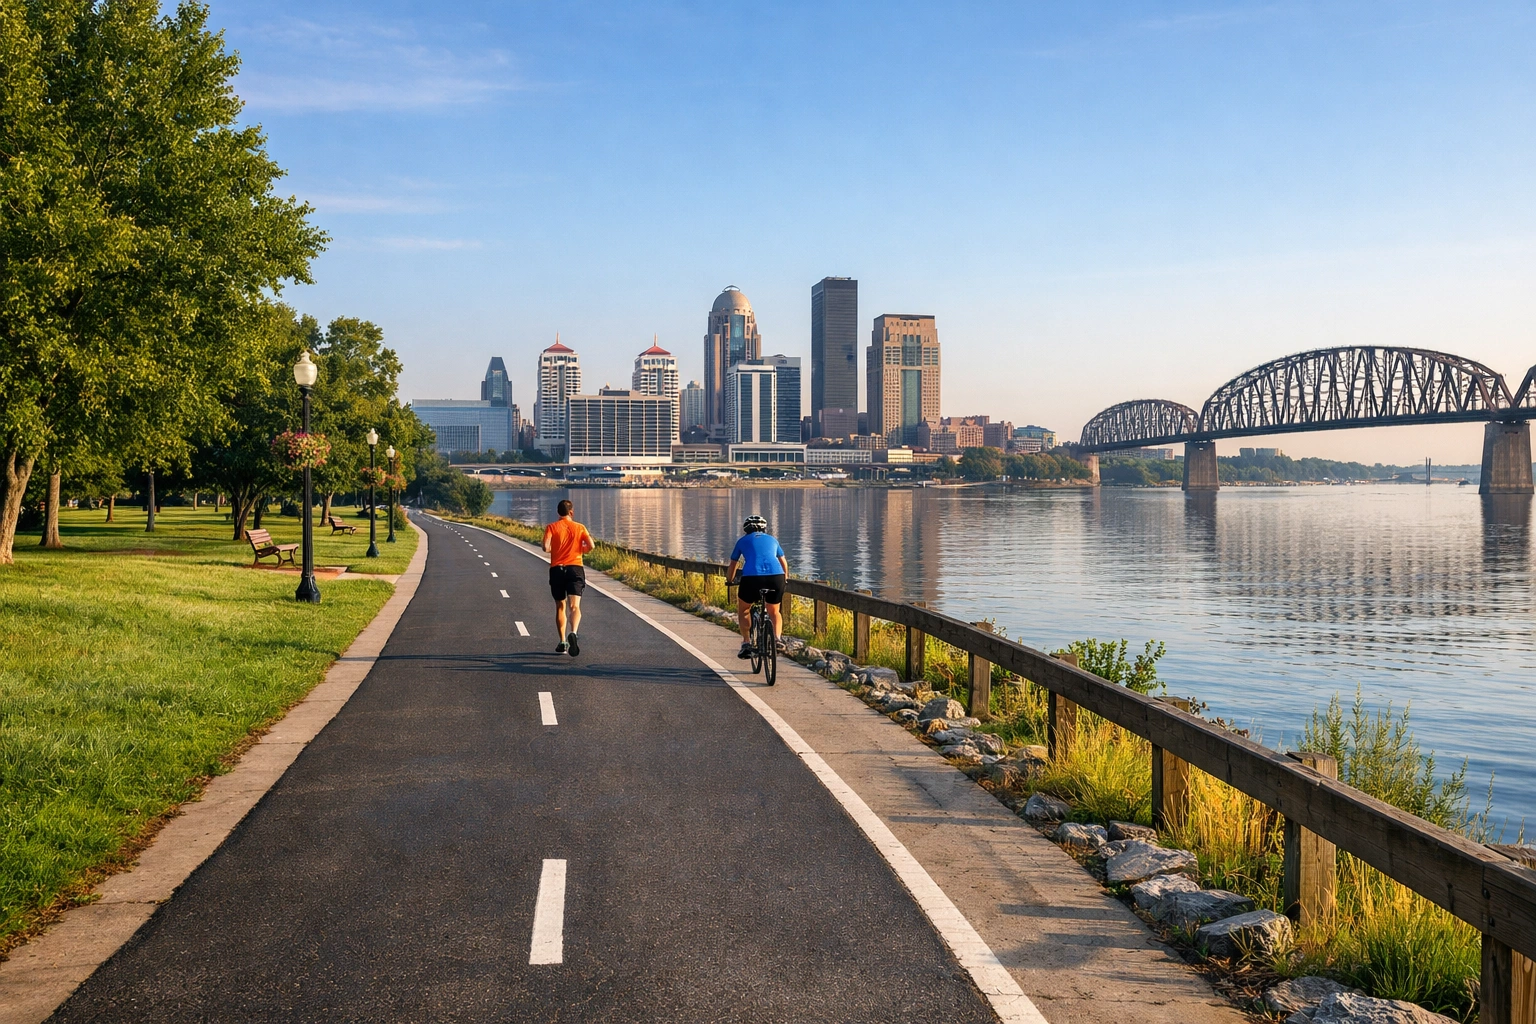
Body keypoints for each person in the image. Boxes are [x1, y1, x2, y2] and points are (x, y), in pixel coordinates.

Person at [726, 514, 789, 660]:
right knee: (774, 611)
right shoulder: (773, 539)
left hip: (752, 578)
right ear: (764, 529)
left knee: (744, 609)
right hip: (776, 577)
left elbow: (733, 564)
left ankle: (746, 643)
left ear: (746, 529)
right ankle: (777, 639)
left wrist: (730, 580)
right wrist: (784, 579)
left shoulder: (742, 541)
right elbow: (783, 562)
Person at [542, 499, 594, 656]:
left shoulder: (551, 527)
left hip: (557, 569)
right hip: (575, 568)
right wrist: (580, 550)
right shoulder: (580, 527)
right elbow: (591, 545)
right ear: (571, 512)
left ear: (558, 513)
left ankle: (563, 641)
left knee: (560, 606)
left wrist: (554, 550)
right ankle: (574, 632)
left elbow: (545, 547)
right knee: (575, 607)